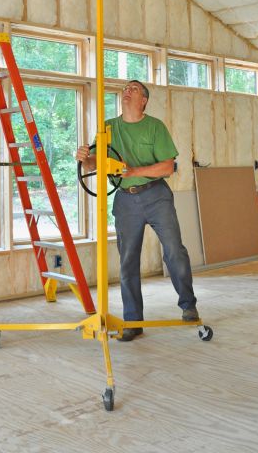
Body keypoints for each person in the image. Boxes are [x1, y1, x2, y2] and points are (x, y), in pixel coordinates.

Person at [76, 79, 198, 341]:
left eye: (133, 89)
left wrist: (134, 171)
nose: (126, 92)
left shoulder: (155, 127)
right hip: (125, 199)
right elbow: (94, 165)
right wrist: (85, 158)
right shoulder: (108, 127)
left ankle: (188, 304)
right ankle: (133, 321)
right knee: (128, 260)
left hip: (156, 195)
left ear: (144, 100)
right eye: (125, 89)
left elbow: (168, 167)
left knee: (174, 250)